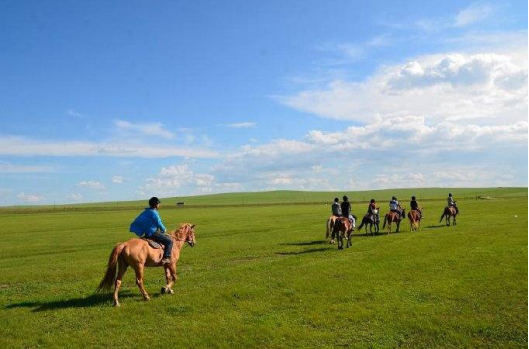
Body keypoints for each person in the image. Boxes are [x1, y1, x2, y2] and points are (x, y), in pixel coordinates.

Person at [130, 197, 173, 265]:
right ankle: (166, 258)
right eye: (158, 203)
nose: (159, 205)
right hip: (152, 232)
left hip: (147, 233)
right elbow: (158, 222)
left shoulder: (146, 211)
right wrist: (163, 229)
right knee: (169, 241)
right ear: (156, 204)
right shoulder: (154, 212)